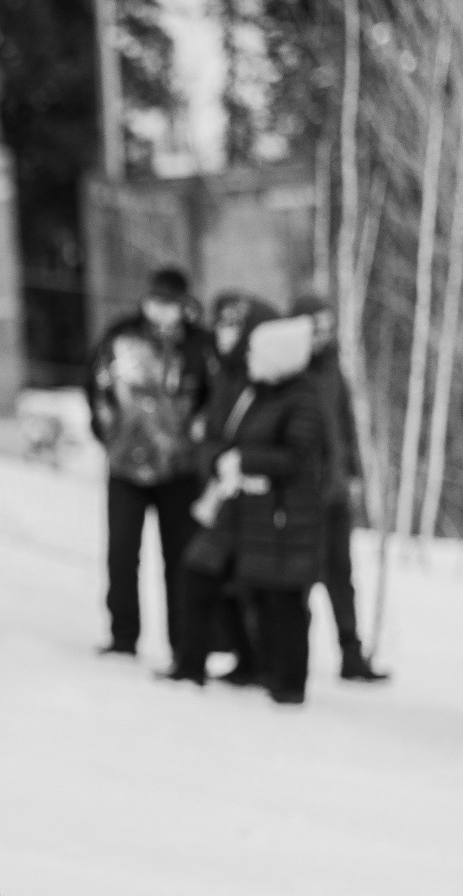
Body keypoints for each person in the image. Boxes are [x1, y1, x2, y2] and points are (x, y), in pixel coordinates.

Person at [176, 313, 326, 703]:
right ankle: (202, 663)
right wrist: (222, 460)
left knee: (282, 599)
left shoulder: (303, 399)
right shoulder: (255, 392)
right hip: (242, 508)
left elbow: (296, 456)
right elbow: (224, 435)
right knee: (205, 573)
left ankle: (286, 682)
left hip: (282, 515)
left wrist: (245, 461)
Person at [88, 266, 211, 661]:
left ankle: (184, 642)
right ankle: (123, 636)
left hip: (180, 469)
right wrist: (107, 432)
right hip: (126, 465)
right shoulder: (120, 336)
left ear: (183, 307)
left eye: (169, 304)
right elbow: (94, 385)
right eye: (155, 301)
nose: (160, 311)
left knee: (180, 557)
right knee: (122, 554)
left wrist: (199, 438)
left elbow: (213, 397)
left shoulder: (198, 346)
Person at [294, 295, 385, 682]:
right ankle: (289, 654)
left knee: (341, 576)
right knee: (297, 576)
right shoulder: (289, 371)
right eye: (315, 327)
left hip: (333, 494)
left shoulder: (333, 369)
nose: (323, 336)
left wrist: (355, 475)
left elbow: (345, 426)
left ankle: (351, 656)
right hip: (300, 496)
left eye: (328, 328)